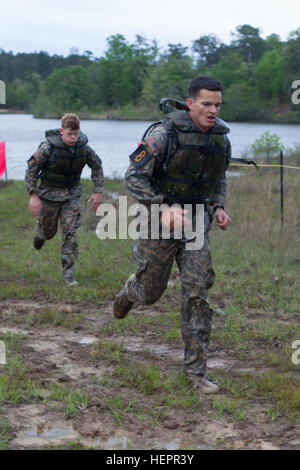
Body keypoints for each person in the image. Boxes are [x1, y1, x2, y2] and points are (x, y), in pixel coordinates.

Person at [113, 76, 231, 393]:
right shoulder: (163, 134)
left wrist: (218, 206)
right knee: (151, 293)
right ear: (190, 103)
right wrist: (162, 206)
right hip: (159, 222)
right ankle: (129, 291)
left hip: (195, 223)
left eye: (217, 104)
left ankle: (195, 373)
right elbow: (134, 177)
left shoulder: (221, 138)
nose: (213, 110)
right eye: (206, 104)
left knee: (197, 292)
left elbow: (219, 178)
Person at [25, 113, 104, 286]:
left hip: (71, 195)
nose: (73, 138)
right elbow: (31, 170)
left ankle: (68, 272)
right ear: (62, 131)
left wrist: (97, 191)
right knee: (49, 231)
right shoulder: (47, 148)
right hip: (48, 195)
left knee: (70, 231)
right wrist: (33, 194)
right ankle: (41, 235)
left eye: (76, 134)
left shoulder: (84, 148)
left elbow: (97, 166)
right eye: (69, 134)